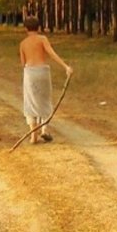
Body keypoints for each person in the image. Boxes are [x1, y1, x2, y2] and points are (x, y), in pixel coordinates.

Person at [19, 16, 73, 144]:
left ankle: (33, 136)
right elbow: (51, 53)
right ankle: (44, 130)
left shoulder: (23, 44)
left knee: (30, 102)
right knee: (45, 100)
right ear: (38, 27)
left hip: (30, 73)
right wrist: (65, 66)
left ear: (26, 28)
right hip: (43, 72)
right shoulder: (42, 39)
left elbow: (23, 63)